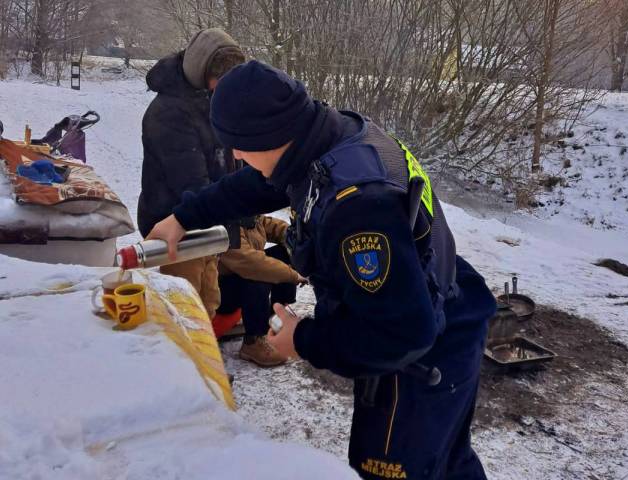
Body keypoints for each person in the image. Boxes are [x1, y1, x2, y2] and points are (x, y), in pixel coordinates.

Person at [147, 61, 497, 479]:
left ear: (270, 135)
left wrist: (304, 339)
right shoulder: (327, 138)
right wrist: (184, 216)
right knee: (448, 462)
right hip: (442, 298)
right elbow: (257, 184)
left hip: (422, 354)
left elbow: (403, 334)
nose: (236, 155)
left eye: (239, 144)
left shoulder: (359, 208)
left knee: (393, 468)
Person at [137, 28, 244, 318]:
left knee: (208, 301)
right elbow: (192, 183)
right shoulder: (169, 113)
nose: (226, 89)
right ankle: (180, 362)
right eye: (220, 81)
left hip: (208, 223)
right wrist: (235, 206)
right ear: (201, 72)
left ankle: (202, 357)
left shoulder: (210, 101)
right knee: (183, 311)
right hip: (177, 228)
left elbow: (231, 156)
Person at [217, 214, 306, 367]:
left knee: (286, 252)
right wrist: (294, 275)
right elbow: (253, 264)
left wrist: (293, 236)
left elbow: (270, 225)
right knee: (259, 275)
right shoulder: (226, 226)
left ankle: (277, 315)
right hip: (220, 296)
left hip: (239, 279)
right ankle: (254, 340)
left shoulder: (248, 216)